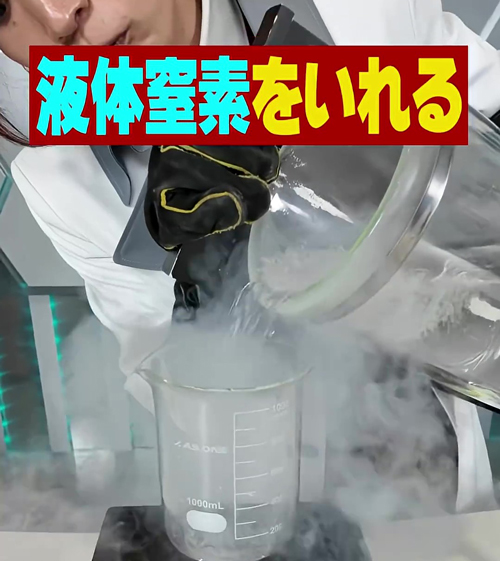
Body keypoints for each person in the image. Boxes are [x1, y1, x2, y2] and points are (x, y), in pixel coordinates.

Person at [1, 0, 498, 511]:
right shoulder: (59, 179)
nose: (58, 17)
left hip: (442, 495)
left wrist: (284, 104)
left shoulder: (349, 13)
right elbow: (170, 396)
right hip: (270, 509)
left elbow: (486, 173)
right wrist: (212, 290)